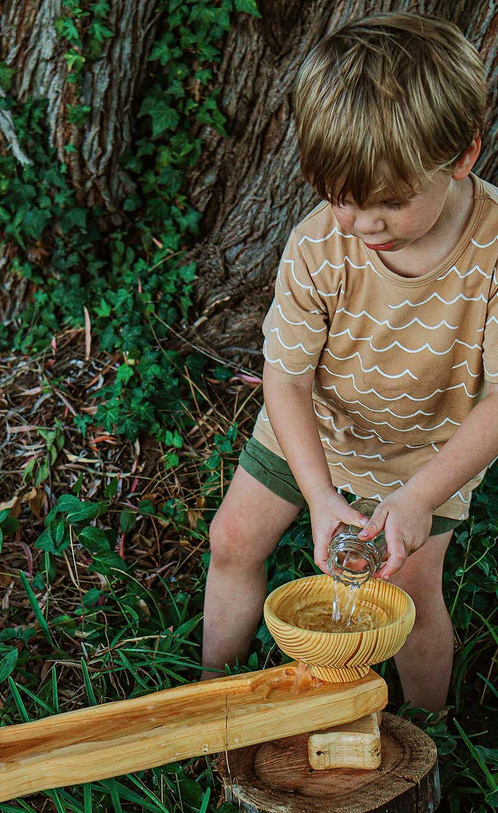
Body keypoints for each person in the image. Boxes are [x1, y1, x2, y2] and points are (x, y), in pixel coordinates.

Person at [201, 12, 498, 712]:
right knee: (233, 539)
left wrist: (420, 496)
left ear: (462, 156)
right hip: (319, 433)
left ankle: (429, 732)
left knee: (413, 595)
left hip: (431, 453)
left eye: (389, 204)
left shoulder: (493, 251)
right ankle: (213, 700)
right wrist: (319, 495)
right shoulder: (316, 247)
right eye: (341, 199)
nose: (363, 226)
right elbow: (288, 379)